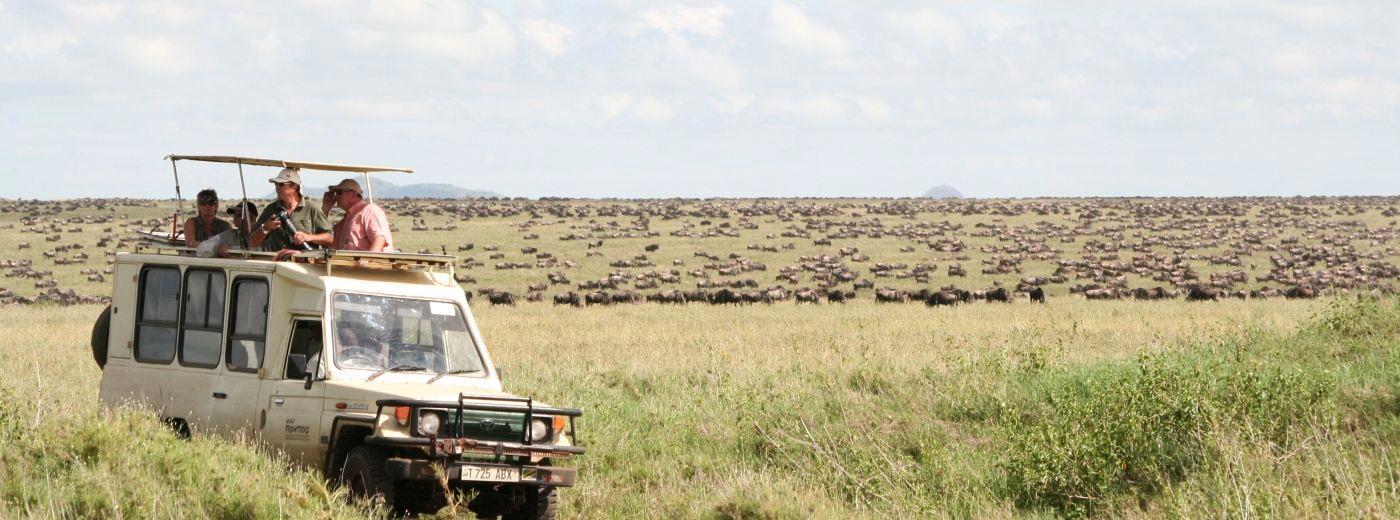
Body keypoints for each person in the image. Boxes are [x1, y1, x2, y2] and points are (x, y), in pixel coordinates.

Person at [249, 168, 333, 259]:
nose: (276, 188)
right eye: (275, 184)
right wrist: (265, 228)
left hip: (306, 266)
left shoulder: (312, 209)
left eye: (281, 184)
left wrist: (308, 237)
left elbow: (330, 238)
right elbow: (252, 242)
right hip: (279, 267)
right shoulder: (271, 210)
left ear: (294, 186)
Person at [322, 178, 394, 252]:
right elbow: (326, 240)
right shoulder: (344, 221)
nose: (336, 196)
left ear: (353, 194)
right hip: (348, 262)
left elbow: (379, 239)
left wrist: (368, 258)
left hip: (369, 263)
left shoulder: (369, 210)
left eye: (339, 192)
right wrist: (325, 209)